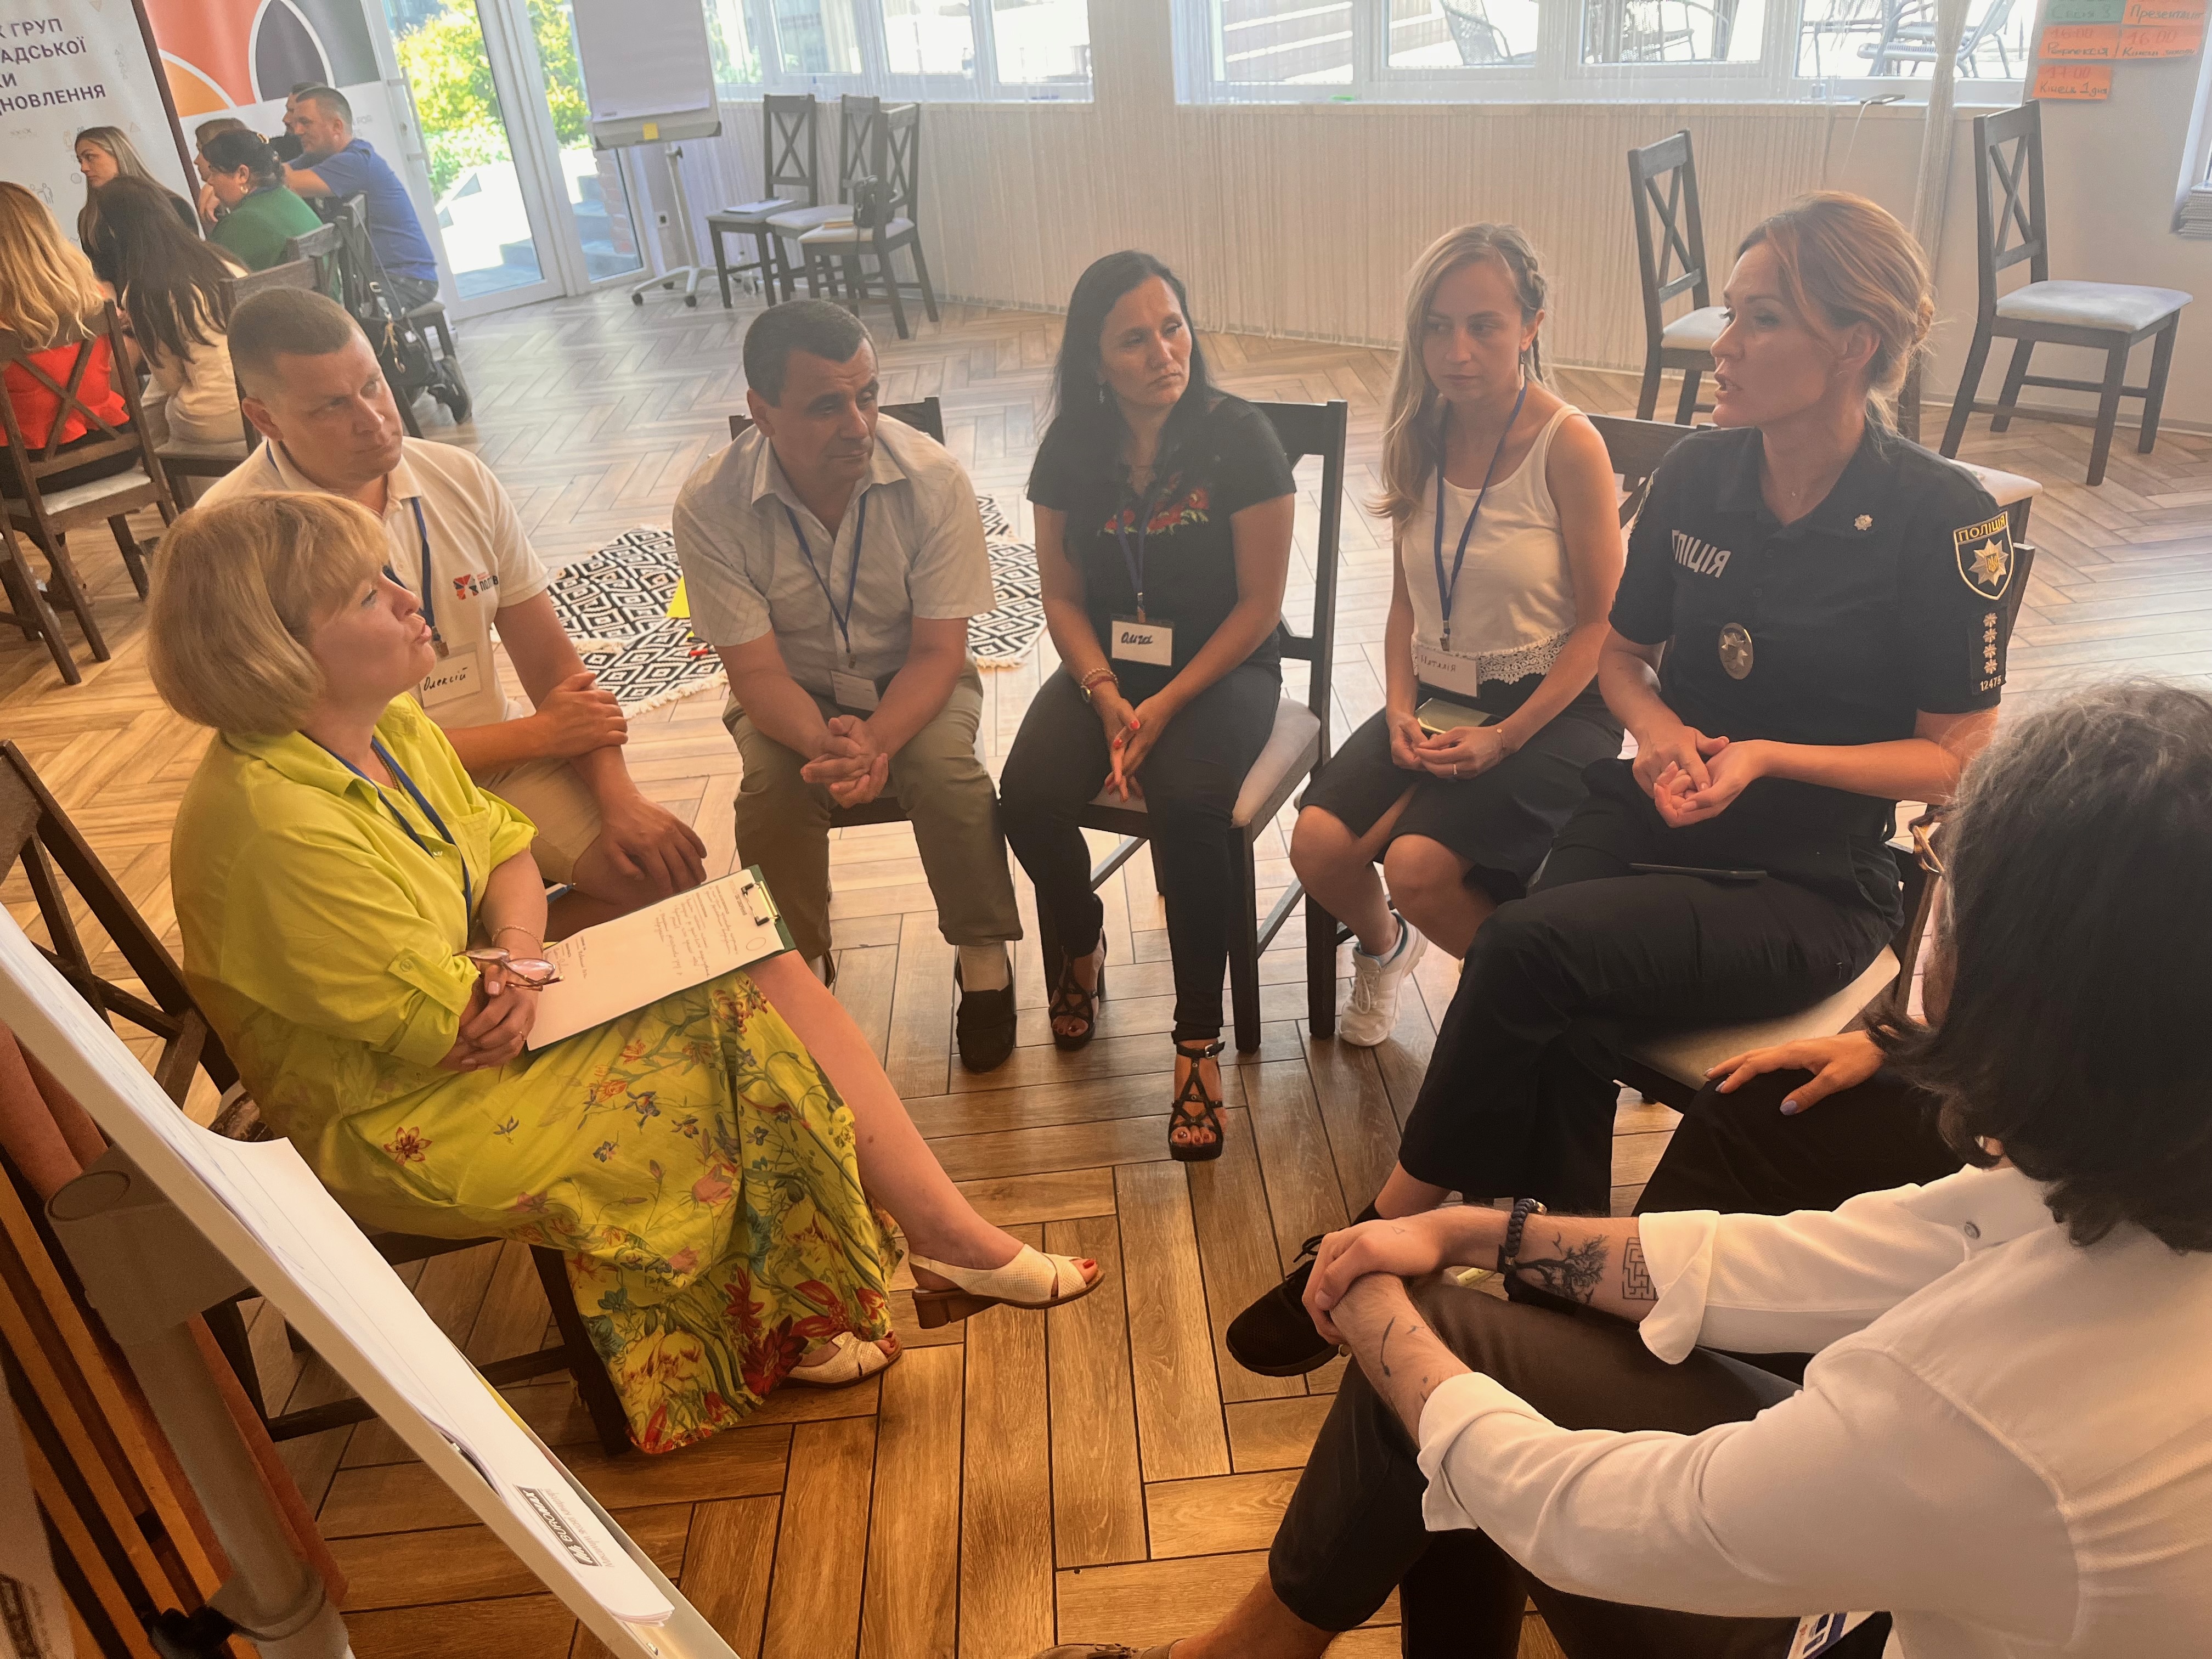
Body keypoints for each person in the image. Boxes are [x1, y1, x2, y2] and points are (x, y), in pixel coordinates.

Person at [1045, 680, 2212, 1659]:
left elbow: (1583, 1518)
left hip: (1851, 1619)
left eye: (1943, 861)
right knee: (1464, 1332)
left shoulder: (1963, 1409)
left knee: (1444, 1377)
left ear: (2021, 979)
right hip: (1939, 1578)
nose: (1929, 894)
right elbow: (1834, 1255)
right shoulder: (2126, 1186)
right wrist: (1473, 1234)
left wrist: (1387, 1331)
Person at [1230, 191, 2014, 1376]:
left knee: (1526, 952)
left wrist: (1761, 756)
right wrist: (1656, 734)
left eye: (1761, 320)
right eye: (1730, 313)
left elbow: (1954, 755)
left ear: (1855, 344)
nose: (1723, 344)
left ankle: (1383, 1235)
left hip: (1808, 880)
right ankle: (1561, 1293)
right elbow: (1624, 658)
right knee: (1552, 991)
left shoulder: (1940, 516)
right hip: (1652, 814)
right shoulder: (1700, 475)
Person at [149, 492, 1103, 1453]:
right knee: (735, 1028)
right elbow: (458, 1030)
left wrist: (520, 951)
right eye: (368, 595)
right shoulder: (276, 826)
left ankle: (919, 1245)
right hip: (395, 1105)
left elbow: (506, 849)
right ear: (279, 652)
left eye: (391, 574)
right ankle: (856, 1280)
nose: (409, 600)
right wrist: (513, 965)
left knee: (734, 939)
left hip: (462, 1002)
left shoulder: (385, 729)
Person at [198, 287, 704, 929]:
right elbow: (316, 750)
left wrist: (620, 797)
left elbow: (553, 666)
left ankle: (500, 968)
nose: (374, 419)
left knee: (658, 873)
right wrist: (542, 734)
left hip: (505, 766)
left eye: (373, 385)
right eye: (332, 406)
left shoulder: (459, 477)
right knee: (437, 939)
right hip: (362, 794)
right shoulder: (233, 536)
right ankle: (488, 971)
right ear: (264, 418)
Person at [1290, 225, 1623, 1046]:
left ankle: (1530, 1016)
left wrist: (1506, 738)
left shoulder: (1569, 444)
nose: (1457, 351)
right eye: (1437, 327)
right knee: (1317, 846)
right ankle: (1387, 948)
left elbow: (1602, 628)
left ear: (1532, 326)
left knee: (1418, 868)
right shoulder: (1418, 430)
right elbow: (1407, 599)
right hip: (1441, 692)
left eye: (1483, 326)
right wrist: (1400, 706)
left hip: (1553, 704)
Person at [997, 251, 1296, 1160]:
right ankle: (1079, 930)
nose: (1164, 351)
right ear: (1094, 360)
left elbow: (1259, 605)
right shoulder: (1070, 448)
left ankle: (1196, 1038)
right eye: (1134, 339)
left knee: (1190, 809)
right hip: (1107, 667)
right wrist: (1102, 691)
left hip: (1223, 667)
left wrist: (1164, 703)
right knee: (1026, 799)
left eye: (1172, 327)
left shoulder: (1239, 438)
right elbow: (1060, 596)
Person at [675, 301, 1022, 1070]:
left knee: (948, 774)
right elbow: (755, 673)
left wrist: (877, 741)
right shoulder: (709, 505)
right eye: (827, 406)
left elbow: (939, 652)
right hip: (789, 691)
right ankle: (799, 975)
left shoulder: (934, 479)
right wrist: (824, 743)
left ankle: (984, 962)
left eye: (868, 396)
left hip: (914, 679)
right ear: (762, 413)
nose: (859, 425)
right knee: (772, 790)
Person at [82, 176, 246, 448]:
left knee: (159, 408)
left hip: (218, 420)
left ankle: (157, 466)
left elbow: (171, 382)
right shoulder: (223, 261)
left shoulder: (143, 291)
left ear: (114, 232)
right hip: (267, 401)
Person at [0, 183, 139, 498]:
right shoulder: (91, 296)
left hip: (33, 469)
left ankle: (43, 534)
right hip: (116, 445)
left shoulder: (6, 322)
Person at [278, 85, 442, 309]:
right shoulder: (317, 158)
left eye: (305, 123)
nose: (297, 131)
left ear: (337, 126)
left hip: (406, 278)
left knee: (336, 318)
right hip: (371, 277)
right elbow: (277, 175)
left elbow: (288, 182)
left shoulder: (355, 161)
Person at [201, 130, 322, 269]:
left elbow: (209, 275)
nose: (210, 181)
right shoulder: (288, 197)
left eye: (215, 172)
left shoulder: (243, 221)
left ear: (242, 175)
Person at [72, 126, 199, 245]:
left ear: (118, 154)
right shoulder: (89, 219)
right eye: (80, 161)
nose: (83, 168)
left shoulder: (173, 205)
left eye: (90, 157)